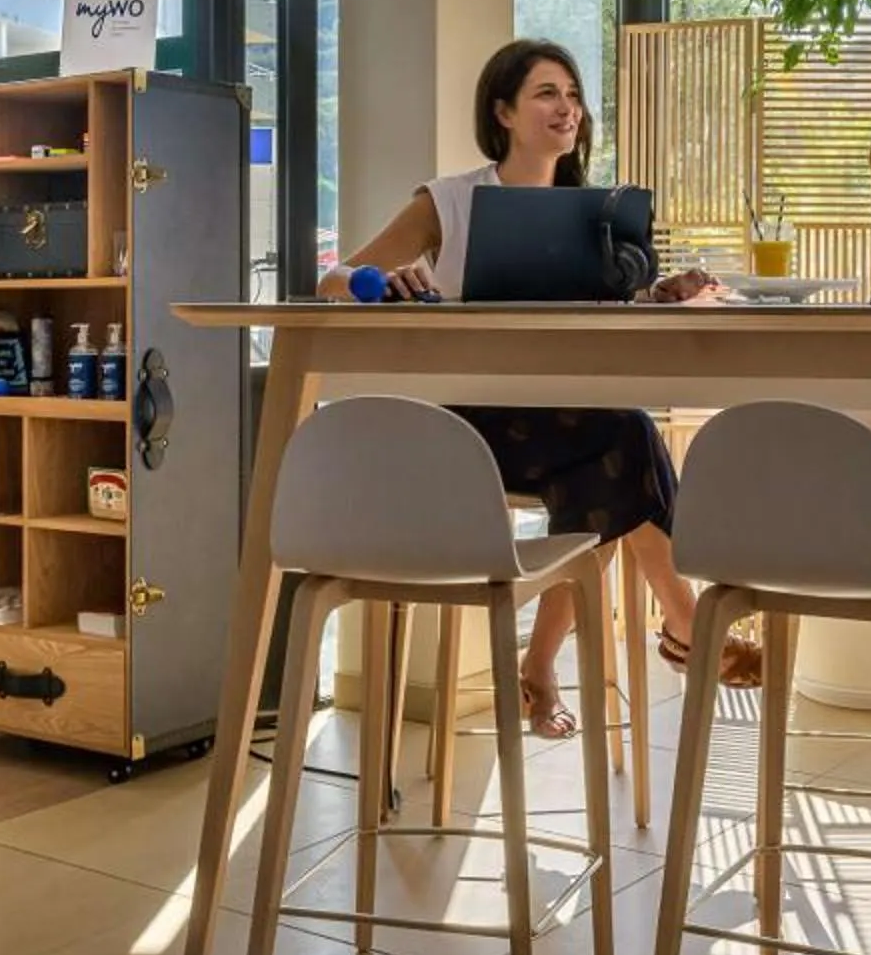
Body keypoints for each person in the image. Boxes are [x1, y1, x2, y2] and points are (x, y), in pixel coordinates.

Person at [320, 38, 763, 737]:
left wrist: (656, 295)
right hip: (469, 427)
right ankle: (681, 622)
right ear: (503, 112)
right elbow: (333, 279)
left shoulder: (599, 213)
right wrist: (380, 281)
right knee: (625, 439)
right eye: (547, 94)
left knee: (613, 461)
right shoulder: (451, 200)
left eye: (574, 95)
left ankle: (550, 664)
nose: (568, 108)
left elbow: (602, 315)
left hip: (567, 426)